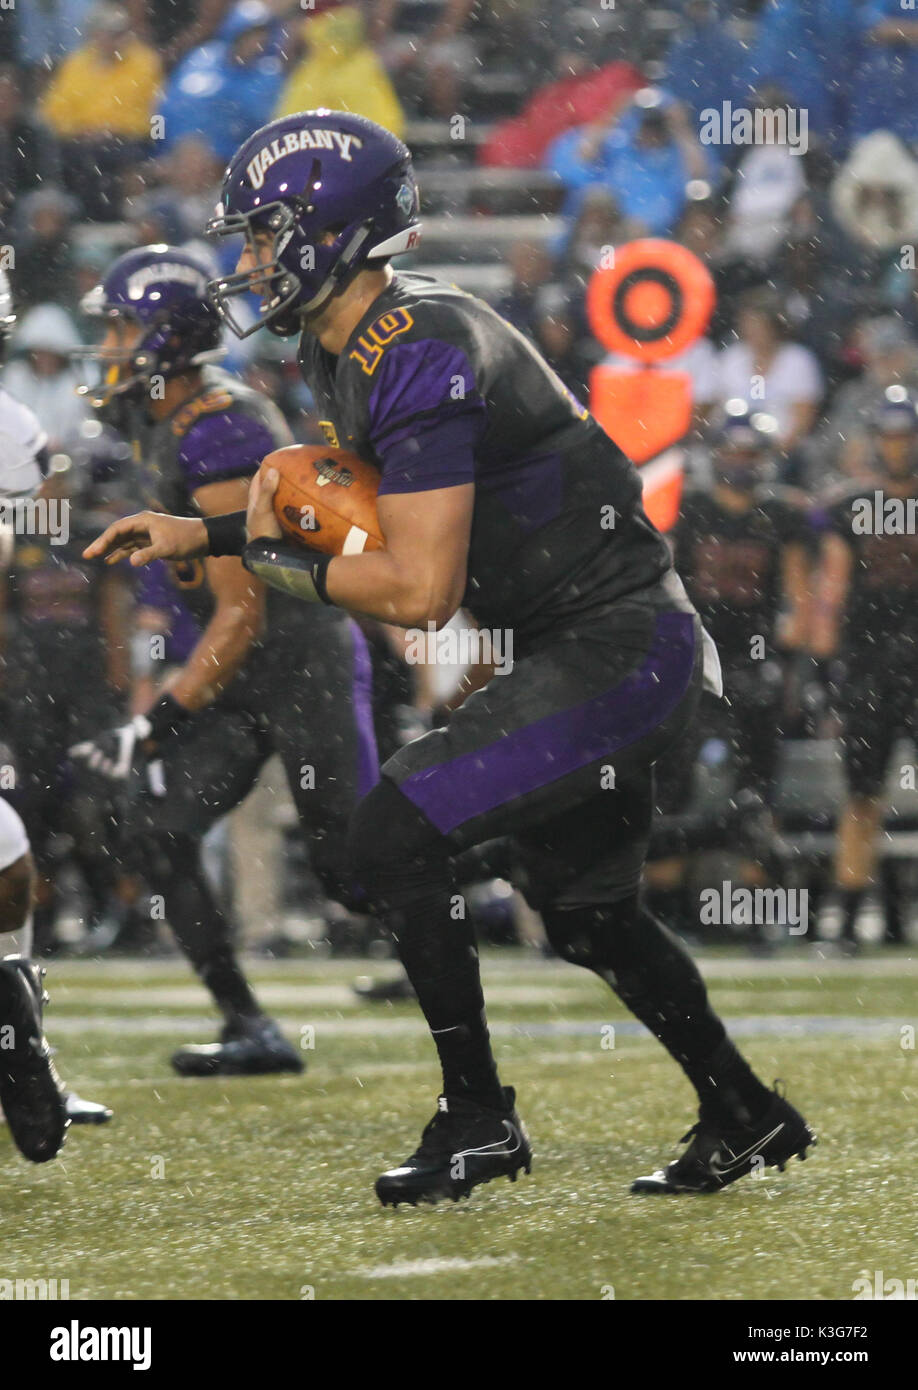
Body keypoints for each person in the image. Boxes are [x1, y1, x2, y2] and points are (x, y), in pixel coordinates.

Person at [86, 111, 816, 1204]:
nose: (244, 261)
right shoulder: (356, 348)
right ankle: (746, 1109)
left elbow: (420, 590)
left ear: (326, 232)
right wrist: (214, 534)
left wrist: (273, 564)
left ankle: (478, 1118)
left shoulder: (417, 342)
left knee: (386, 839)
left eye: (261, 234)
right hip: (588, 638)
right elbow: (379, 528)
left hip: (618, 640)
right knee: (587, 916)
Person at [71, 245, 379, 1075]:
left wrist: (158, 719)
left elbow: (243, 609)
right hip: (244, 672)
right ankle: (249, 1025)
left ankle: (502, 872)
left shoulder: (222, 426)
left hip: (299, 657)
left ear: (163, 339)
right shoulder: (164, 420)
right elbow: (189, 595)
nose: (107, 346)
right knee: (154, 827)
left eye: (121, 326)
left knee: (354, 870)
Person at [0, 267, 111, 1150]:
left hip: (45, 692)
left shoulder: (17, 436)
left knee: (13, 853)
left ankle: (23, 1054)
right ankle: (24, 1059)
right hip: (23, 686)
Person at [811, 389, 918, 950]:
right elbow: (831, 589)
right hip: (870, 669)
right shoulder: (850, 504)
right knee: (860, 798)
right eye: (891, 436)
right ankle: (851, 912)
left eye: (906, 436)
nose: (899, 447)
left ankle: (891, 913)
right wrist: (823, 669)